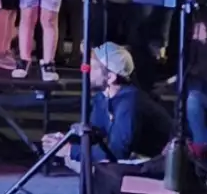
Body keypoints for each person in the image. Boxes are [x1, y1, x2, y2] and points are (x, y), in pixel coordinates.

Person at [44, 42, 175, 172]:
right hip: (137, 159)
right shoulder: (103, 98)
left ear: (111, 77)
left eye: (93, 67)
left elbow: (117, 152)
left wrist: (70, 150)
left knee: (88, 163)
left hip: (158, 164)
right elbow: (96, 133)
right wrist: (65, 141)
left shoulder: (129, 103)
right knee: (78, 159)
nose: (85, 70)